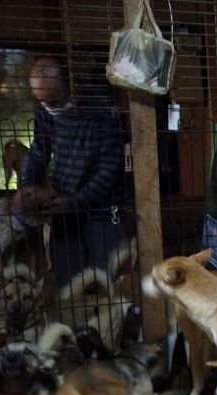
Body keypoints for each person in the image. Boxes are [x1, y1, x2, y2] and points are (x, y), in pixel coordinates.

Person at [16, 56, 131, 284]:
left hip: (106, 206)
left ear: (71, 85)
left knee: (109, 276)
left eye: (53, 101)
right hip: (63, 204)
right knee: (67, 278)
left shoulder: (104, 108)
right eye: (43, 102)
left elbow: (109, 168)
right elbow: (40, 147)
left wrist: (76, 201)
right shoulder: (45, 109)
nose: (49, 108)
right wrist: (27, 185)